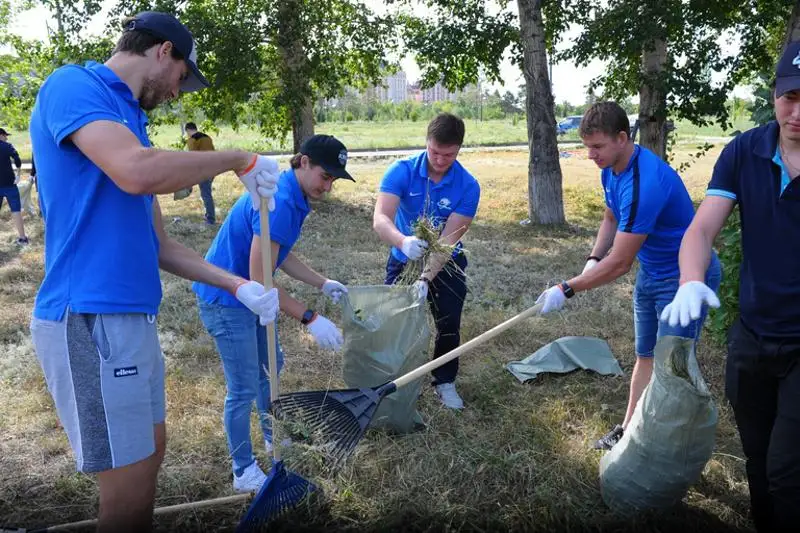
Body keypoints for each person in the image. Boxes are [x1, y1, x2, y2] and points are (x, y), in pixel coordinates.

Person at [27, 11, 281, 532]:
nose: (177, 93)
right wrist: (239, 159)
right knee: (126, 490)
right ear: (164, 51)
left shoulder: (127, 122)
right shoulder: (74, 85)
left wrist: (240, 285)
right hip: (90, 318)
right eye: (182, 78)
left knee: (151, 455)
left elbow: (158, 243)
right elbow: (137, 172)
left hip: (133, 319)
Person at [660, 42, 800, 533]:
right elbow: (700, 231)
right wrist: (691, 281)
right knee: (758, 464)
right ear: (774, 94)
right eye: (791, 97)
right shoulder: (745, 151)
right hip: (753, 334)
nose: (798, 112)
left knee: (788, 474)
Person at [535, 101, 721, 450]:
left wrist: (567, 288)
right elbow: (611, 217)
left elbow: (620, 263)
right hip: (652, 274)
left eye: (598, 146)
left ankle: (667, 445)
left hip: (683, 281)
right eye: (587, 146)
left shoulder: (644, 183)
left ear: (622, 138)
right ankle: (629, 429)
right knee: (647, 356)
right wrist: (592, 258)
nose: (591, 155)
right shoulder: (612, 168)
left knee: (673, 368)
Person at [193, 134, 353, 492]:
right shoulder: (278, 200)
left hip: (252, 297)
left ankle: (273, 435)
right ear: (304, 161)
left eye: (333, 180)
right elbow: (260, 277)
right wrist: (310, 318)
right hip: (227, 299)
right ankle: (243, 470)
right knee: (243, 386)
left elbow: (278, 253)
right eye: (325, 176)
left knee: (271, 369)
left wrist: (322, 282)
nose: (327, 186)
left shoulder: (292, 194)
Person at [373, 112, 481, 410]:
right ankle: (392, 380)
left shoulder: (468, 186)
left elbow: (448, 240)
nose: (441, 159)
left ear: (459, 149)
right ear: (426, 142)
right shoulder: (402, 171)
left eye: (449, 154)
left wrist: (425, 278)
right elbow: (380, 218)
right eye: (435, 151)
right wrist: (403, 241)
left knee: (448, 324)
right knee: (395, 322)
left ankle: (444, 380)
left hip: (446, 264)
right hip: (403, 259)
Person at [0, 127, 29, 244]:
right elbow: (17, 160)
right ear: (1, 135)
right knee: (16, 211)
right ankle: (22, 238)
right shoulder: (7, 146)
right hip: (10, 185)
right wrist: (18, 174)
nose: (6, 138)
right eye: (5, 135)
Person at [184, 121, 217, 224]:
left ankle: (210, 219)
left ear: (188, 130)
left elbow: (193, 158)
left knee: (206, 194)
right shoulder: (207, 138)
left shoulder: (192, 140)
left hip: (203, 170)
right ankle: (208, 215)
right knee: (206, 193)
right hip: (213, 168)